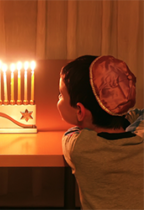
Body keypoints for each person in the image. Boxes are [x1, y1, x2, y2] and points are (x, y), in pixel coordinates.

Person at [57, 55, 143, 209]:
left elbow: (70, 134)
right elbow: (139, 115)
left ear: (80, 111)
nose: (58, 99)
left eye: (61, 95)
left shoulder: (79, 146)